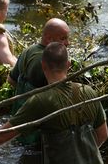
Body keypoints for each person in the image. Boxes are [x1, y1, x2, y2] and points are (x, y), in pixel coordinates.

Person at [7, 18, 70, 146]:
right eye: (63, 38)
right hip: (36, 132)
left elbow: (11, 80)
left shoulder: (28, 51)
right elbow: (60, 96)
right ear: (48, 38)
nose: (67, 43)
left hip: (18, 122)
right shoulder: (48, 63)